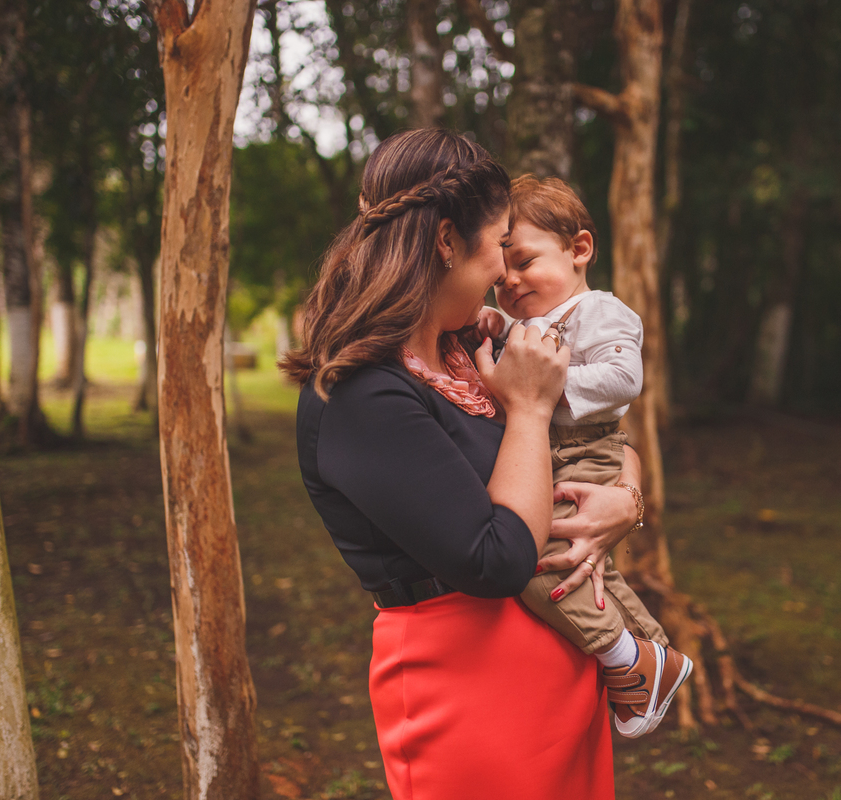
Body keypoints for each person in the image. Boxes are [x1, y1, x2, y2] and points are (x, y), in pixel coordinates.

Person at [283, 129, 649, 800]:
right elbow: (496, 559)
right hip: (471, 696)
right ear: (448, 242)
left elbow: (598, 431)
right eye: (498, 245)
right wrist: (532, 410)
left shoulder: (463, 349)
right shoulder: (361, 394)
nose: (504, 276)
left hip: (562, 671)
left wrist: (626, 497)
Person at [478, 174, 692, 738]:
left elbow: (624, 377)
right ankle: (652, 654)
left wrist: (541, 388)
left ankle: (626, 658)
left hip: (588, 450)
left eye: (524, 262)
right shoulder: (527, 320)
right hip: (552, 452)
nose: (512, 281)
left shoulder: (600, 310)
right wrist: (497, 325)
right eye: (501, 278)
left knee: (543, 562)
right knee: (581, 561)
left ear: (579, 249)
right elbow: (521, 346)